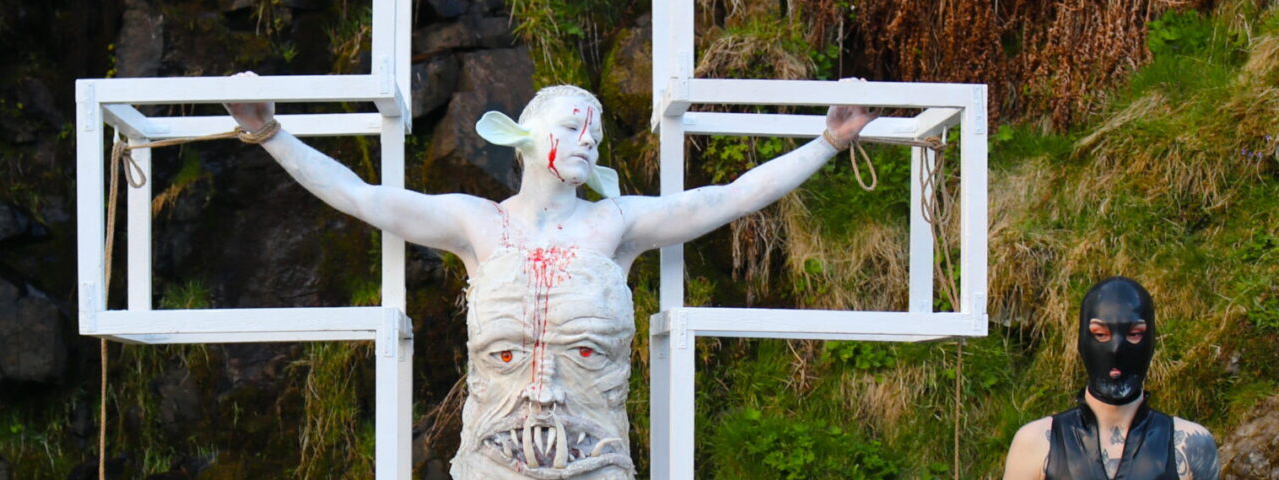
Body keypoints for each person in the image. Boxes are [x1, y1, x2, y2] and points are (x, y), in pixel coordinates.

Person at [225, 74, 876, 479]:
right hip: (492, 457)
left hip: (594, 458)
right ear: (522, 137)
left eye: (594, 136)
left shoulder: (615, 224)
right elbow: (364, 198)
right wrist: (270, 133)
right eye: (573, 126)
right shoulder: (474, 224)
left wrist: (826, 143)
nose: (588, 142)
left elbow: (729, 198)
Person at [1003, 277, 1218, 480]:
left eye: (1134, 334)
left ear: (1150, 340)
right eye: (1100, 334)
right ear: (1082, 339)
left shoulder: (1191, 442)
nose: (1116, 350)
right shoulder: (1035, 442)